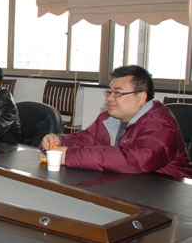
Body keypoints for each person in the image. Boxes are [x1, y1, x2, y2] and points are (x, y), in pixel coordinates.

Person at [41, 65, 192, 179]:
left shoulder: (162, 123)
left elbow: (136, 159)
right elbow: (84, 139)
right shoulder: (107, 119)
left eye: (117, 93)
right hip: (128, 186)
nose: (109, 98)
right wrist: (59, 141)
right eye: (109, 92)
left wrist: (69, 156)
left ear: (141, 97)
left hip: (171, 194)